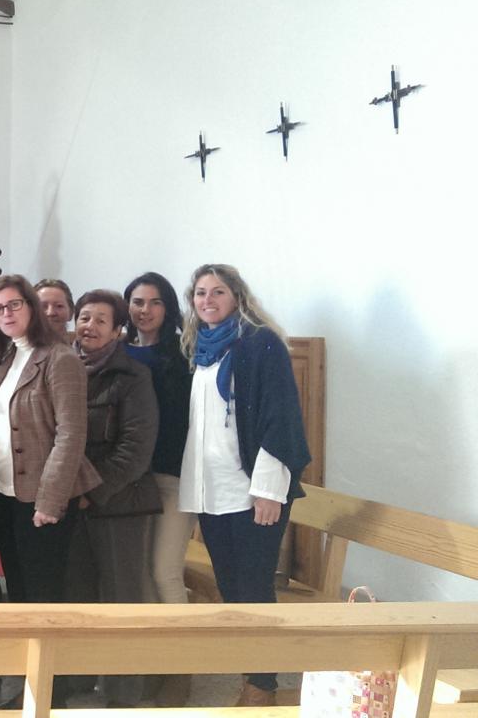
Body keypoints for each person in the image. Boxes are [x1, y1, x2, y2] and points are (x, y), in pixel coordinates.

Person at [0, 274, 100, 710]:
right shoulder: (9, 357)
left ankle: (51, 693)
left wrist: (50, 500)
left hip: (39, 500)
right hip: (5, 493)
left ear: (32, 308)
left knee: (44, 597)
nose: (6, 313)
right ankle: (29, 686)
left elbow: (70, 435)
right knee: (21, 593)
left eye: (14, 305)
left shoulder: (59, 359)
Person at [180, 264, 310, 707]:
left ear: (237, 295)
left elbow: (281, 416)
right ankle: (251, 672)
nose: (207, 300)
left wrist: (270, 489)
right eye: (200, 293)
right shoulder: (200, 348)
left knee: (254, 587)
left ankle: (263, 686)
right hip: (212, 490)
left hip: (253, 489)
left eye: (218, 291)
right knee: (231, 586)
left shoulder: (259, 342)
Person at [64, 289, 161, 707]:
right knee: (78, 596)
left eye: (101, 320)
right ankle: (79, 680)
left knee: (122, 601)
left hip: (120, 504)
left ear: (118, 330)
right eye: (84, 317)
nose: (90, 326)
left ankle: (124, 694)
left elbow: (135, 450)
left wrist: (93, 492)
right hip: (73, 504)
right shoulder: (65, 368)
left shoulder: (133, 376)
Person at [122, 271, 195, 706]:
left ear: (168, 308)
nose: (143, 310)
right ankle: (151, 662)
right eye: (136, 301)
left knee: (166, 571)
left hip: (172, 478)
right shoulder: (121, 353)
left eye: (152, 302)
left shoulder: (184, 357)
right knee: (140, 575)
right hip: (131, 481)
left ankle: (181, 668)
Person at [35, 278, 77, 344]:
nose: (50, 313)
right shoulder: (16, 346)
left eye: (59, 306)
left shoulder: (79, 350)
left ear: (71, 312)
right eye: (43, 306)